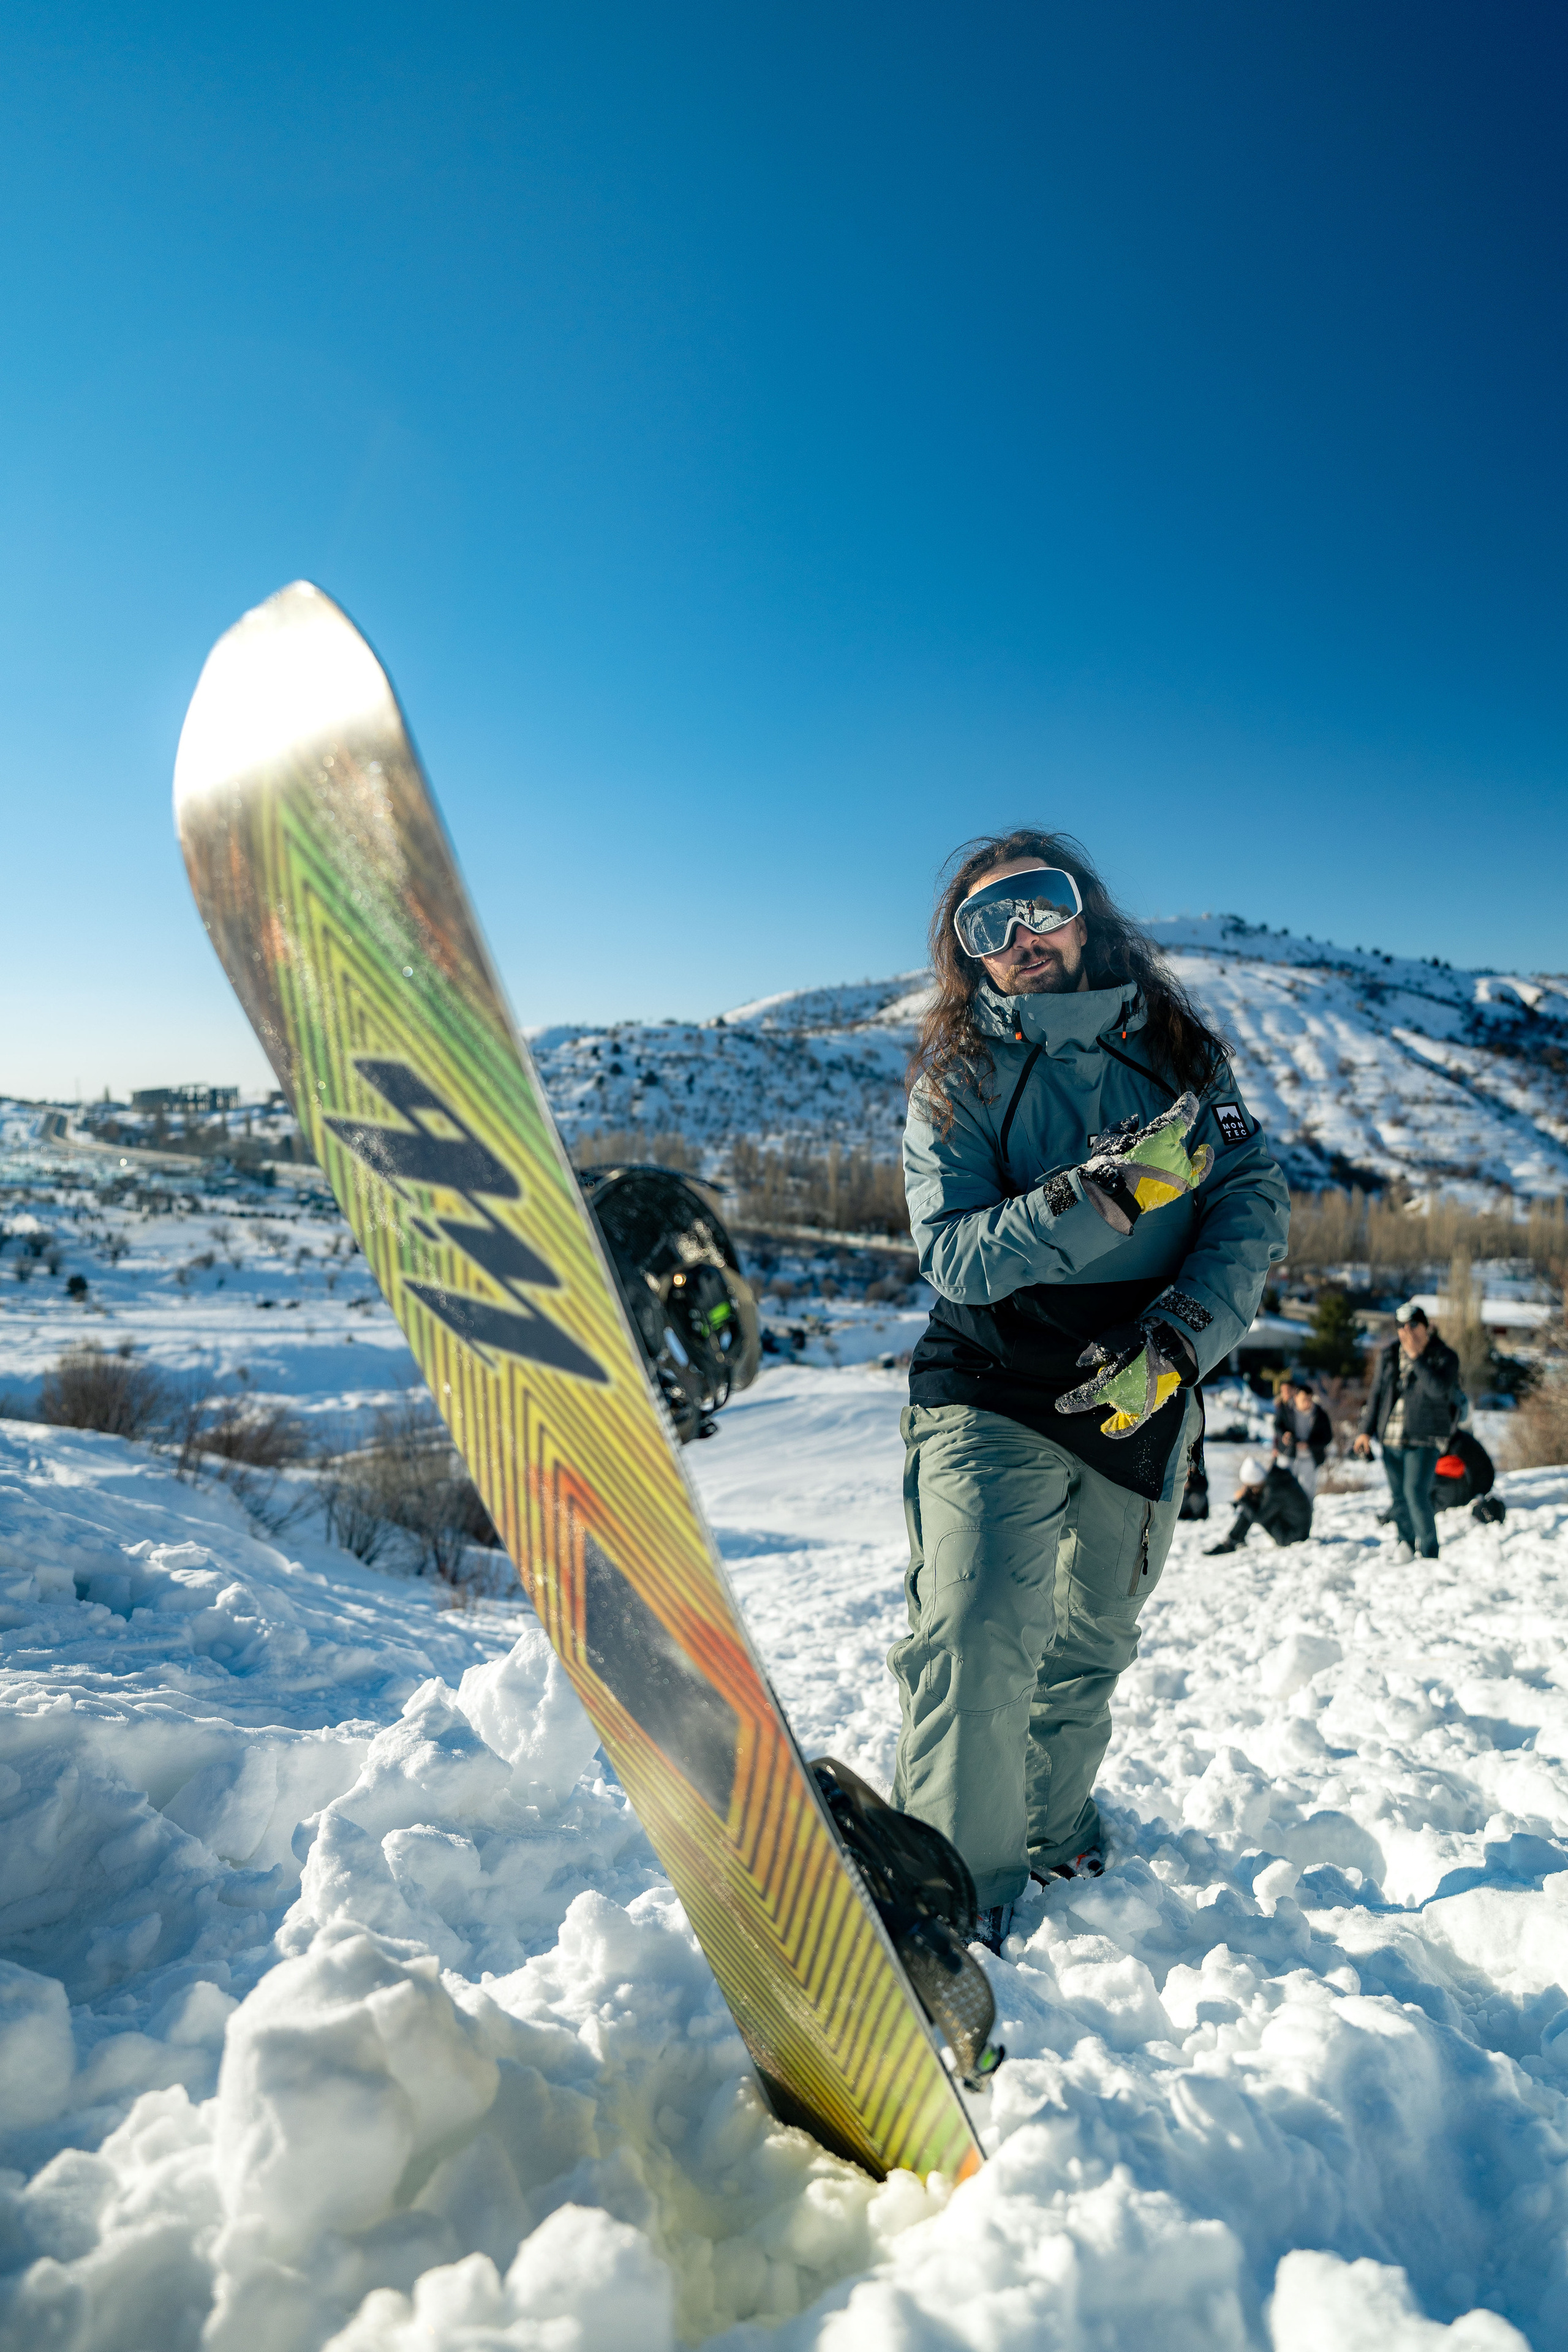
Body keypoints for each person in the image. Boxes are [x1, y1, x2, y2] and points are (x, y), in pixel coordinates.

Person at [892, 828, 1290, 1950]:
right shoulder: (958, 1080)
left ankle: (1053, 1824)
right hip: (993, 1376)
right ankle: (954, 1892)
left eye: (1039, 905)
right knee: (974, 1627)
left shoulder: (1177, 1053)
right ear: (966, 958)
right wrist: (1101, 1195)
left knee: (1086, 1642)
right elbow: (958, 1257)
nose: (1022, 938)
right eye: (989, 926)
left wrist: (1180, 1335)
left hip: (1143, 1382)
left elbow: (1248, 1198)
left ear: (1085, 914)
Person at [1352, 1303, 1460, 1561]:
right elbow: (1377, 1393)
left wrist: (1416, 1358)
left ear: (1426, 1327)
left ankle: (1430, 1549)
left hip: (1425, 1437)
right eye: (1401, 1326)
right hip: (1391, 1436)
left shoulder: (1444, 1356)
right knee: (1399, 1495)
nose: (1406, 1331)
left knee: (1415, 1492)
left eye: (1413, 1325)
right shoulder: (1389, 1354)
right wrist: (1364, 1431)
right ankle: (1405, 1543)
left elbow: (1438, 1390)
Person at [1204, 1453, 1312, 1553]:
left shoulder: (1275, 1490)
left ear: (1255, 1483)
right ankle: (1233, 1540)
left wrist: (1243, 1500)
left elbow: (1259, 1518)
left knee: (1252, 1507)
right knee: (1252, 1504)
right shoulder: (1276, 1479)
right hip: (1296, 1530)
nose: (1250, 1490)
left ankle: (1232, 1541)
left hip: (1292, 1536)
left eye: (1250, 1487)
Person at [1273, 1377, 1333, 1500]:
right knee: (1284, 1491)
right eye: (1303, 1400)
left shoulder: (1320, 1415)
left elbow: (1328, 1438)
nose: (1307, 1403)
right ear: (1296, 1398)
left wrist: (1310, 1444)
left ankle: (1307, 1516)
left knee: (1307, 1493)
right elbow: (1277, 1425)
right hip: (1288, 1456)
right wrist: (1284, 1435)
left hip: (1309, 1459)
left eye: (1309, 1399)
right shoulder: (1285, 1409)